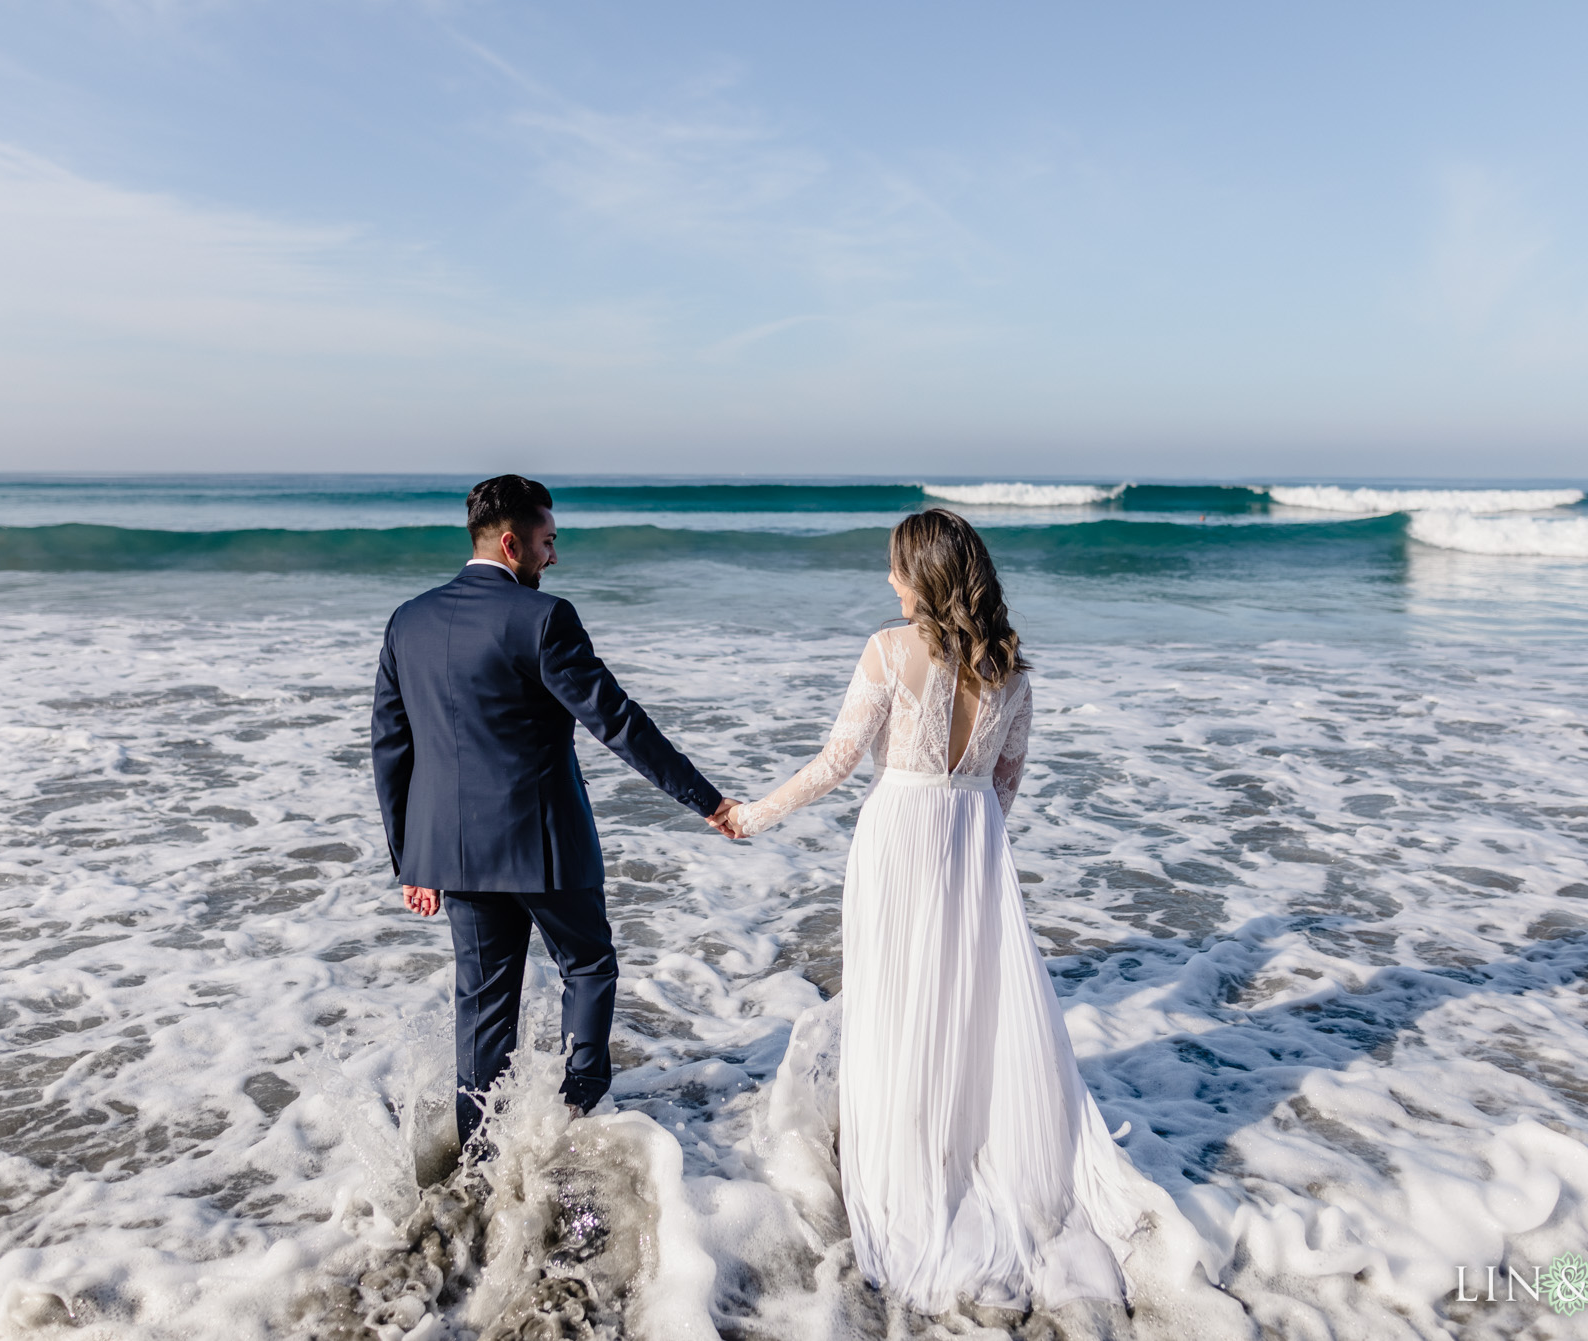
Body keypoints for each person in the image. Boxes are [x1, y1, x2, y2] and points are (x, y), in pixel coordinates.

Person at [726, 508, 1142, 1315]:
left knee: (892, 1002)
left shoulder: (888, 649)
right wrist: (976, 849)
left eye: (896, 567)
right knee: (963, 1003)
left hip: (897, 837)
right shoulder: (1013, 670)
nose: (889, 580)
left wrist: (751, 815)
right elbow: (1007, 780)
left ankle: (903, 1164)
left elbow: (835, 764)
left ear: (923, 576)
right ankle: (963, 1149)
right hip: (975, 840)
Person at [371, 475, 741, 1149]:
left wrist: (411, 860)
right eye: (547, 543)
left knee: (482, 1014)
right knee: (590, 966)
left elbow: (392, 748)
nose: (553, 558)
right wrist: (706, 799)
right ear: (512, 544)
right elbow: (619, 722)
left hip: (455, 855)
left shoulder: (409, 621)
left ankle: (479, 1165)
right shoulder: (542, 619)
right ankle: (571, 1117)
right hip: (545, 846)